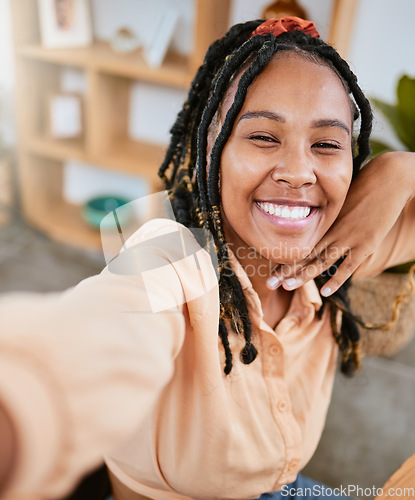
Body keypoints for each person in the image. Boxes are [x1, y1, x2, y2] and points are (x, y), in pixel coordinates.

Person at [1, 16, 415, 500]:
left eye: (326, 144)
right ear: (211, 154)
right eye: (263, 137)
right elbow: (92, 336)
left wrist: (399, 170)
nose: (300, 172)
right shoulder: (169, 262)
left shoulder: (336, 253)